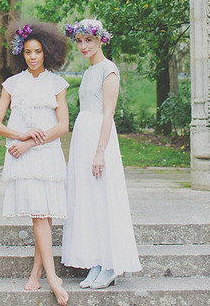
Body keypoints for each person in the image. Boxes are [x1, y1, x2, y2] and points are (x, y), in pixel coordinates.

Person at [0, 22, 70, 306]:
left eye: (37, 51)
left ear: (46, 52)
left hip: (46, 154)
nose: (33, 57)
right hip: (22, 157)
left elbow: (62, 126)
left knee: (43, 215)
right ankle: (53, 277)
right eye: (27, 52)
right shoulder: (12, 84)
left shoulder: (56, 84)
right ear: (20, 54)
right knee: (39, 214)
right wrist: (20, 136)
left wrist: (30, 143)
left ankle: (39, 272)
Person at [61, 19, 141, 289]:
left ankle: (110, 264)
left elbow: (108, 113)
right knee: (88, 199)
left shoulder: (109, 70)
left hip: (99, 137)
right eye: (79, 41)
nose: (83, 46)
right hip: (83, 137)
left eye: (89, 40)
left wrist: (99, 151)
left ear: (100, 40)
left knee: (104, 197)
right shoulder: (88, 72)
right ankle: (96, 261)